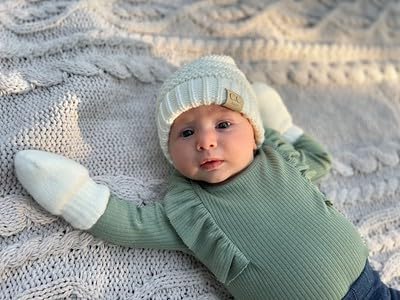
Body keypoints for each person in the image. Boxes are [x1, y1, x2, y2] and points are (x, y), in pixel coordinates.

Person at [14, 55, 399, 299]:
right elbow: (129, 224)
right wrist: (72, 194)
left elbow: (319, 159)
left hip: (372, 283)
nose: (206, 142)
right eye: (186, 133)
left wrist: (281, 125)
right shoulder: (191, 211)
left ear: (254, 132)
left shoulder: (277, 160)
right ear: (170, 152)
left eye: (224, 123)